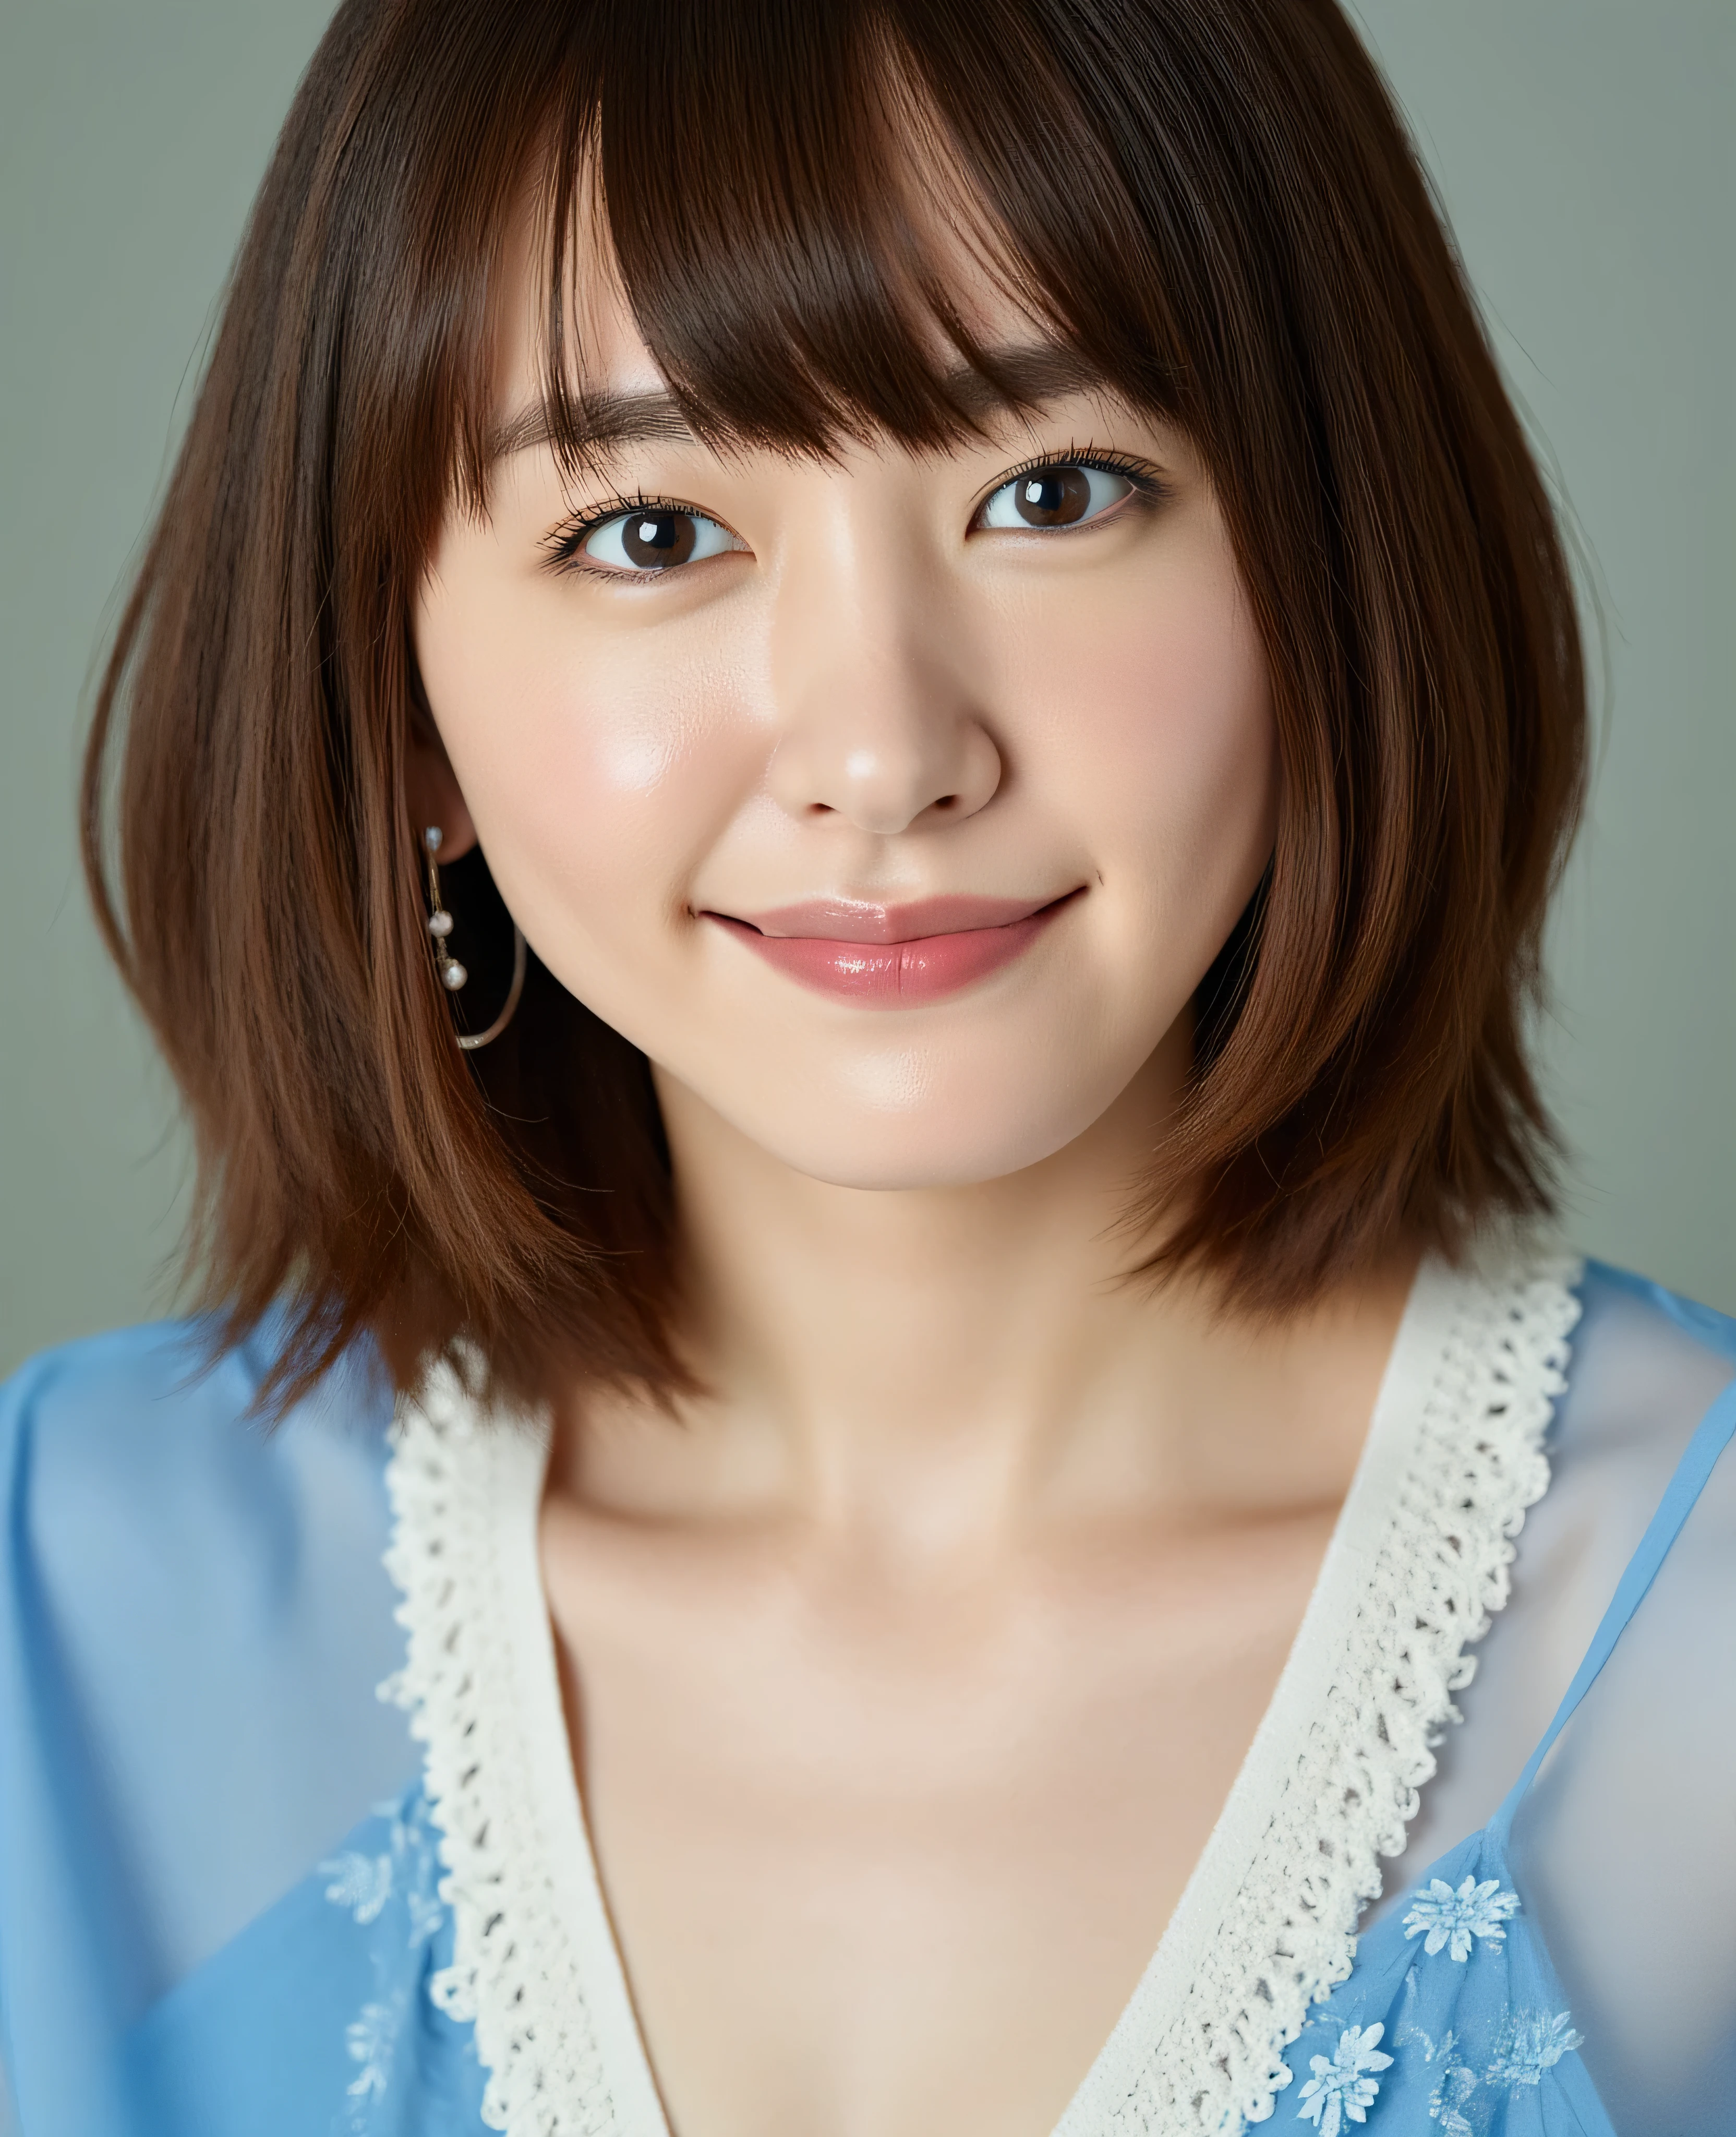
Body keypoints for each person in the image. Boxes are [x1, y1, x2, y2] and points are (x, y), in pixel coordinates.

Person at [2, 1, 1731, 2132]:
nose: (882, 752)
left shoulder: (1694, 1645)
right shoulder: (66, 1607)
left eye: (1057, 489)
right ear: (402, 711)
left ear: (1333, 575)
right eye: (648, 533)